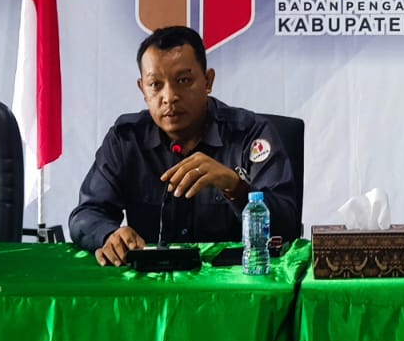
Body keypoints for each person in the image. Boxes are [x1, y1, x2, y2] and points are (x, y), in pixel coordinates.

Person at [70, 25, 302, 265]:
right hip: (151, 286)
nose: (169, 96)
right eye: (155, 85)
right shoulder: (126, 139)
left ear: (208, 81)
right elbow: (86, 215)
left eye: (183, 80)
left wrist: (235, 186)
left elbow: (287, 225)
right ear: (143, 89)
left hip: (234, 286)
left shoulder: (250, 134)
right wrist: (110, 235)